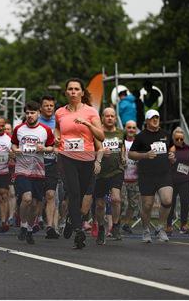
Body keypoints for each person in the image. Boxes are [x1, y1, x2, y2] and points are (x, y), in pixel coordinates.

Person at [55, 78, 104, 249]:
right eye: (70, 89)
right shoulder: (60, 112)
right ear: (66, 92)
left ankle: (70, 218)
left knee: (82, 197)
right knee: (74, 193)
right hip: (66, 157)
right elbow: (57, 129)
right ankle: (78, 231)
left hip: (87, 159)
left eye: (77, 89)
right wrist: (56, 137)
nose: (73, 92)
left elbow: (101, 136)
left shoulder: (91, 112)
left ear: (82, 93)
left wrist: (88, 124)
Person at [12, 101, 55, 245]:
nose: (30, 115)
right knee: (27, 198)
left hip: (38, 171)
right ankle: (23, 225)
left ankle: (30, 229)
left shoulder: (45, 130)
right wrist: (14, 149)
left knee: (36, 204)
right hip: (22, 170)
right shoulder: (18, 129)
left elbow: (52, 148)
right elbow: (13, 144)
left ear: (38, 113)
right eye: (28, 113)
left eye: (32, 113)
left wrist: (44, 149)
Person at [128, 109, 173, 243]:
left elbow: (170, 149)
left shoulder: (166, 134)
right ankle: (146, 230)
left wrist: (171, 156)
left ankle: (160, 227)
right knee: (147, 205)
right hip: (147, 175)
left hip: (164, 173)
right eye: (152, 118)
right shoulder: (141, 136)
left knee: (167, 200)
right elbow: (131, 154)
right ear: (147, 121)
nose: (155, 120)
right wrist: (145, 155)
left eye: (157, 117)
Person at [93, 108, 125, 245]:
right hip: (100, 173)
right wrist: (98, 155)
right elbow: (90, 151)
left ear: (115, 118)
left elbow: (122, 147)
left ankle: (116, 225)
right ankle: (101, 228)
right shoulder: (97, 133)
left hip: (116, 171)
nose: (110, 118)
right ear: (102, 117)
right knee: (100, 205)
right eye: (107, 116)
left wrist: (123, 157)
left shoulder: (120, 133)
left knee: (116, 199)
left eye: (112, 116)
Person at [38, 95, 60, 239]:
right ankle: (31, 223)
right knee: (35, 199)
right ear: (41, 108)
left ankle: (51, 226)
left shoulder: (59, 122)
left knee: (52, 195)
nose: (49, 108)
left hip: (53, 163)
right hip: (36, 163)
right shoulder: (35, 121)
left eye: (51, 106)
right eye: (46, 105)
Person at [167, 127, 189, 235]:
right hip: (172, 179)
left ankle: (184, 225)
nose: (179, 141)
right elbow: (165, 163)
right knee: (170, 203)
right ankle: (168, 225)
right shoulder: (170, 148)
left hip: (186, 179)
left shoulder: (187, 148)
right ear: (173, 138)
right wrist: (170, 161)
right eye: (177, 139)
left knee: (185, 202)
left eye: (181, 139)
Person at [121, 120, 140, 234]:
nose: (131, 130)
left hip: (135, 178)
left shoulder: (138, 144)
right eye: (129, 127)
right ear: (125, 129)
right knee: (121, 203)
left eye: (133, 127)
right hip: (122, 178)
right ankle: (116, 223)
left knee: (133, 204)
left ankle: (126, 224)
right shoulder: (122, 143)